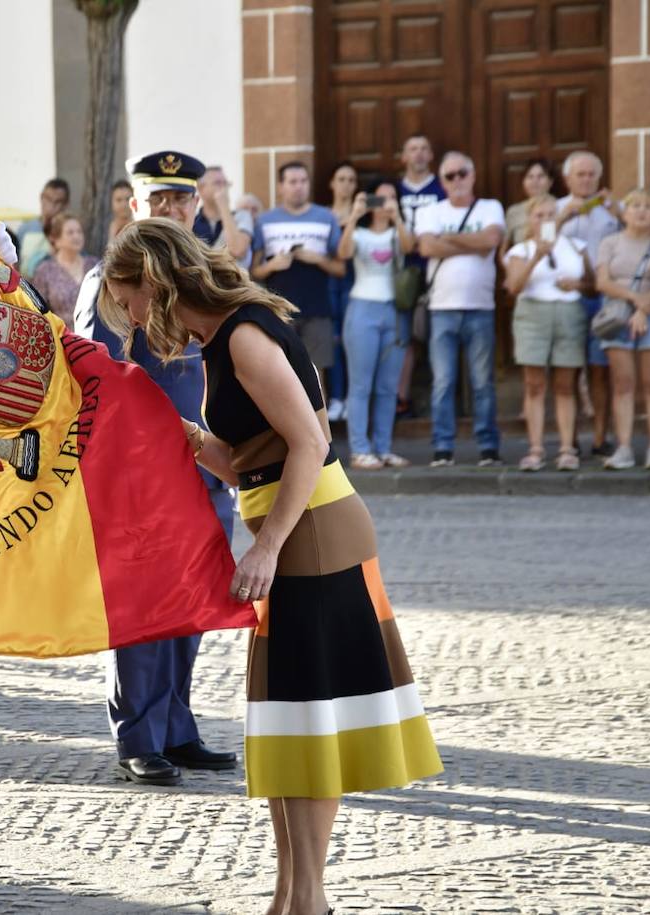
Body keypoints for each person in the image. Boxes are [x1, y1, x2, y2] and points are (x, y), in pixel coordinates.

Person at [98, 218, 441, 915]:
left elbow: (311, 442)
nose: (131, 317)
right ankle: (292, 896)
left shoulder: (245, 335)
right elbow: (252, 459)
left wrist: (267, 544)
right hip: (300, 533)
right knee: (286, 724)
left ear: (155, 284)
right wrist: (189, 438)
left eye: (129, 301)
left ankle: (307, 900)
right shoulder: (224, 336)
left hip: (314, 534)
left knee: (309, 723)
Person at [73, 149, 237, 788]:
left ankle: (177, 727)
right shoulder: (109, 278)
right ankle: (139, 735)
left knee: (193, 599)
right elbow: (98, 375)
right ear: (134, 207)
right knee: (144, 602)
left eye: (183, 200)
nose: (172, 210)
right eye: (158, 200)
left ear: (197, 206)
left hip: (205, 462)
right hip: (143, 468)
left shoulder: (210, 272)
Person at [414, 152, 506, 467]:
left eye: (462, 173)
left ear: (473, 175)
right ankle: (443, 447)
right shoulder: (430, 211)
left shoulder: (490, 207)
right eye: (450, 176)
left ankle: (488, 447)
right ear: (442, 182)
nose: (457, 180)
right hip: (442, 308)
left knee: (482, 382)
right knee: (443, 382)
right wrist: (472, 241)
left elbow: (491, 239)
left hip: (480, 307)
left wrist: (449, 237)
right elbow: (427, 247)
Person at [503, 194, 594, 471]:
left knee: (566, 385)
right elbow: (514, 287)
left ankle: (567, 448)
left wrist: (578, 284)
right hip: (533, 314)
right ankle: (536, 448)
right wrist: (537, 257)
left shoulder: (576, 247)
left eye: (550, 215)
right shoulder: (521, 250)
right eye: (539, 215)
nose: (545, 220)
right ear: (530, 219)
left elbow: (593, 285)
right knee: (534, 385)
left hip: (568, 314)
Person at [335, 182, 415, 469]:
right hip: (362, 308)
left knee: (387, 387)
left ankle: (383, 448)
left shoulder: (397, 232)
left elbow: (409, 247)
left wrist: (398, 218)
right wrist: (354, 216)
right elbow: (343, 253)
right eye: (378, 198)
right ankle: (359, 449)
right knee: (361, 384)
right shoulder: (359, 232)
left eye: (390, 197)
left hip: (393, 311)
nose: (384, 203)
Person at [252, 162, 347, 397]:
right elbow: (254, 271)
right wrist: (272, 265)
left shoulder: (326, 217)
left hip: (317, 311)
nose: (299, 187)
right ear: (281, 186)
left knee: (316, 377)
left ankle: (321, 435)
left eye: (303, 181)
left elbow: (340, 269)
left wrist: (318, 259)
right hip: (279, 312)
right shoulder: (265, 221)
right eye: (293, 182)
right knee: (280, 377)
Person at [594, 188, 650, 470]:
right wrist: (634, 300)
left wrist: (644, 308)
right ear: (624, 212)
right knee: (623, 384)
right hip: (617, 314)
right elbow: (602, 282)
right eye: (635, 206)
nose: (641, 211)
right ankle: (624, 447)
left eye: (648, 206)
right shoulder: (610, 242)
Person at [557, 151, 622, 458]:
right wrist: (561, 218)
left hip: (603, 298)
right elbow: (538, 241)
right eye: (579, 174)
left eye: (590, 174)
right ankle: (569, 440)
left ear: (599, 177)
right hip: (567, 298)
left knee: (600, 369)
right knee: (567, 370)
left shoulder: (612, 211)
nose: (585, 180)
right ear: (567, 178)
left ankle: (600, 437)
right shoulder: (555, 208)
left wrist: (619, 212)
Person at [395, 134, 448, 417]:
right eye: (412, 148)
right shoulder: (394, 189)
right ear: (403, 157)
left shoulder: (442, 188)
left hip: (437, 269)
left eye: (424, 148)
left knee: (434, 334)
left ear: (431, 156)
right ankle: (400, 397)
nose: (418, 154)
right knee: (403, 336)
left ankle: (446, 399)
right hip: (400, 272)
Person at [324, 160, 360, 422]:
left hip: (354, 280)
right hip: (326, 281)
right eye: (342, 179)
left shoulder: (362, 216)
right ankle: (336, 397)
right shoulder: (323, 214)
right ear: (332, 184)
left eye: (351, 180)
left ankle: (351, 397)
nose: (346, 184)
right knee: (332, 340)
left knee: (352, 340)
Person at [31, 211, 97, 329]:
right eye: (70, 233)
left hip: (94, 336)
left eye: (79, 232)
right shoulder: (45, 270)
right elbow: (37, 310)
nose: (76, 236)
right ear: (57, 240)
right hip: (61, 336)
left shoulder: (94, 265)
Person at [194, 164, 254, 269]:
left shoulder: (242, 216)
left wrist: (224, 207)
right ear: (201, 188)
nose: (223, 188)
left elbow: (237, 250)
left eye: (225, 183)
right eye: (217, 183)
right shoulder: (192, 221)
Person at [17, 177, 70, 277]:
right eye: (48, 199)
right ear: (41, 198)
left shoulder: (70, 231)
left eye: (58, 202)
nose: (52, 206)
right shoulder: (25, 229)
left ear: (66, 204)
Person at [505, 158, 555, 248]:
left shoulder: (561, 206)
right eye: (530, 177)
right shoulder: (514, 211)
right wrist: (506, 262)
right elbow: (504, 247)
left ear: (550, 182)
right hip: (521, 260)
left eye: (541, 176)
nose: (535, 181)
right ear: (523, 182)